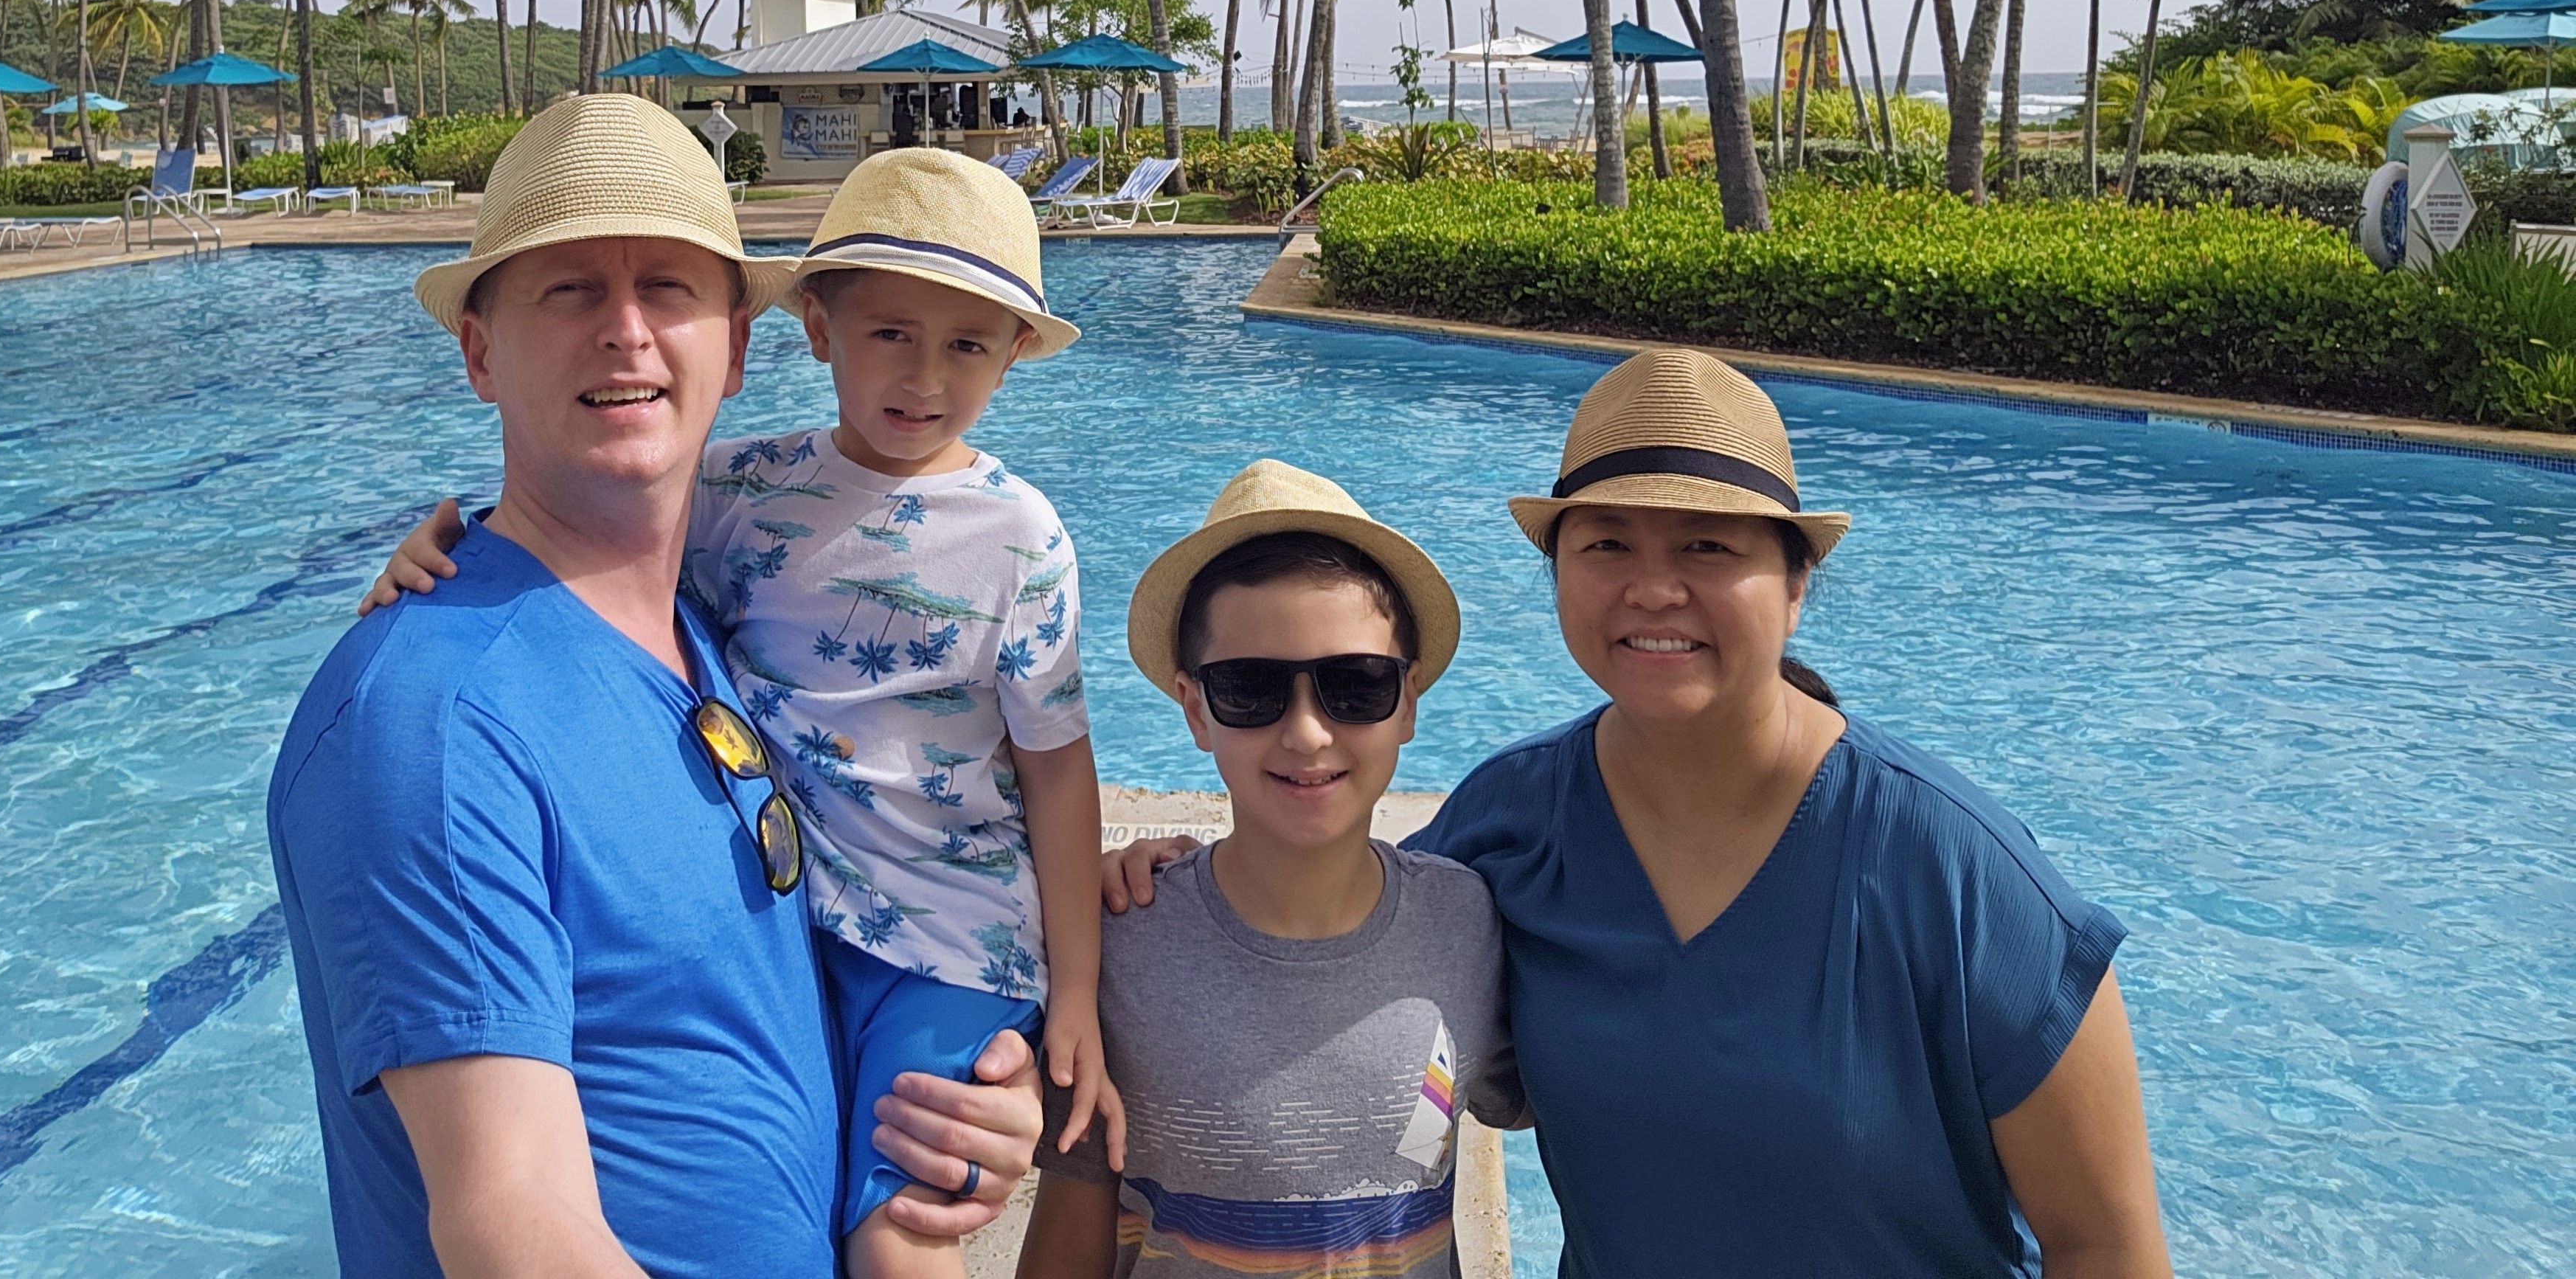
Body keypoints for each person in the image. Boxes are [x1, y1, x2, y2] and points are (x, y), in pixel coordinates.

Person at [1109, 348, 2174, 1279]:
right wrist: (1159, 881)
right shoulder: (1512, 823)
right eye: (1608, 545)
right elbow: (1338, 931)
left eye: (1709, 546)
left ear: (1796, 583)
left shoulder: (1958, 874)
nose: (1653, 588)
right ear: (1560, 574)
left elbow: (2108, 1246)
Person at [268, 99, 1043, 1279]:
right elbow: (513, 1228)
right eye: (569, 289)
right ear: (480, 350)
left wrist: (966, 1092)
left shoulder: (710, 624)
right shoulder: (431, 727)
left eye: (669, 290)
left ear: (735, 349)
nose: (626, 333)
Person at [1018, 460, 1522, 1279]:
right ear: (1194, 710)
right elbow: (1071, 1225)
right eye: (1251, 689)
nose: (1307, 733)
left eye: (1353, 686)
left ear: (1409, 702)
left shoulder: (1468, 923)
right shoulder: (1117, 947)